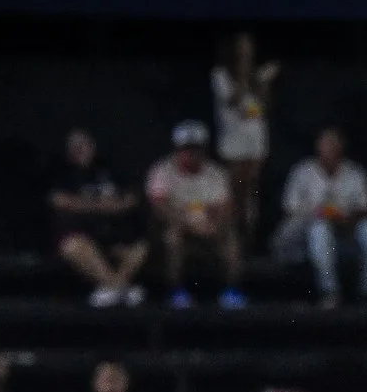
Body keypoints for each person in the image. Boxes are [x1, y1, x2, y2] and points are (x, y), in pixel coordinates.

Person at [272, 126, 367, 306]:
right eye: (326, 143)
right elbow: (289, 208)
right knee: (320, 229)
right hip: (306, 235)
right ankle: (330, 292)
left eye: (334, 143)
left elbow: (366, 207)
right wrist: (319, 214)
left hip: (345, 232)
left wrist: (345, 218)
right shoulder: (303, 171)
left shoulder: (354, 173)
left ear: (342, 146)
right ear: (318, 146)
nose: (330, 147)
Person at [146, 121, 244, 309]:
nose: (191, 153)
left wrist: (214, 227)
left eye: (196, 148)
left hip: (210, 228)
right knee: (172, 237)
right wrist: (189, 226)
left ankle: (231, 291)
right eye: (186, 148)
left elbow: (225, 208)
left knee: (231, 239)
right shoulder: (162, 171)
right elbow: (161, 207)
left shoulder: (216, 174)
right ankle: (176, 292)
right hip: (177, 227)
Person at [50, 129, 147, 307]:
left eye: (84, 146)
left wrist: (112, 206)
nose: (81, 150)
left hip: (114, 234)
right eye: (75, 148)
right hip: (83, 234)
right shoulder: (63, 174)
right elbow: (60, 201)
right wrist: (100, 205)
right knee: (72, 247)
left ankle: (112, 290)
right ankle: (119, 288)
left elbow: (131, 199)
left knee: (139, 248)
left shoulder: (108, 169)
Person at [211, 32, 277, 242]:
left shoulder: (257, 76)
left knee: (251, 194)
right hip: (232, 145)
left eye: (249, 49)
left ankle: (250, 239)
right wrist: (246, 76)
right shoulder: (220, 75)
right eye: (242, 49)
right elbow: (232, 100)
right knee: (234, 193)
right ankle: (231, 238)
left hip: (255, 143)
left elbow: (265, 108)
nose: (246, 54)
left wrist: (264, 84)